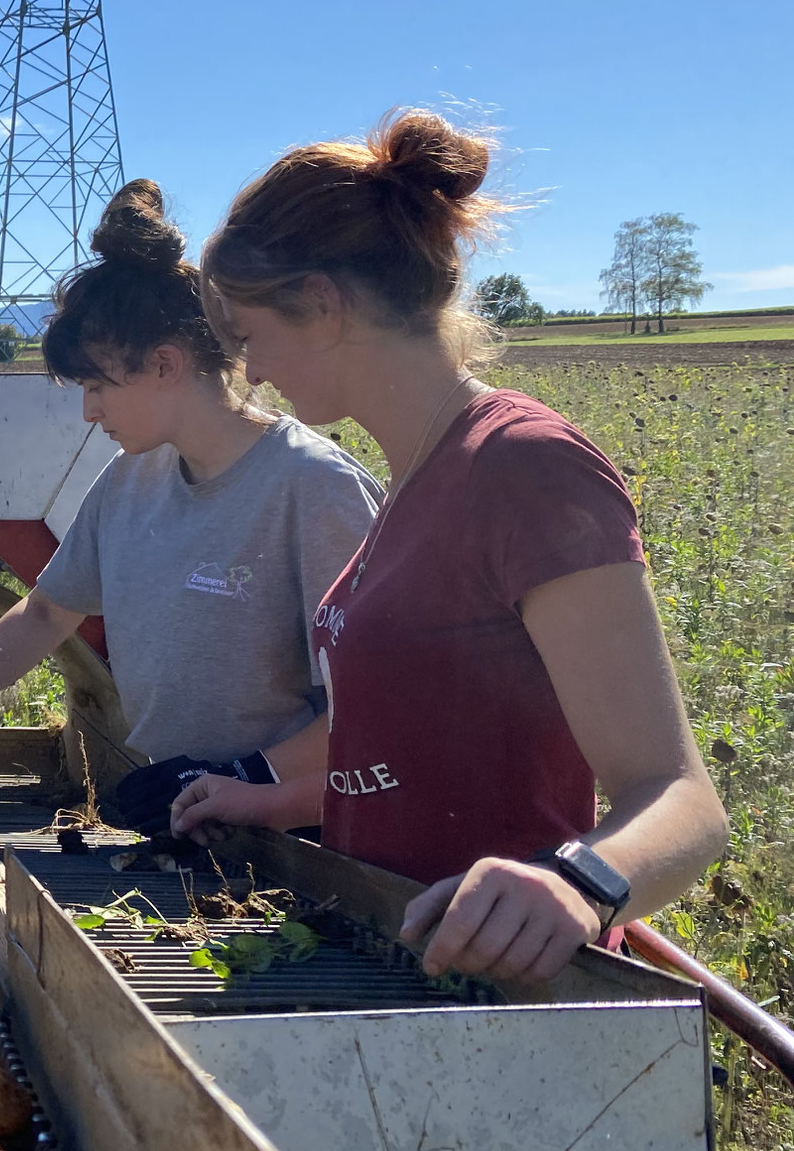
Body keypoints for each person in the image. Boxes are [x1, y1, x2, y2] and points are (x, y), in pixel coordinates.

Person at [172, 108, 728, 984]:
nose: (253, 374)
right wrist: (277, 804)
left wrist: (576, 886)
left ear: (320, 303)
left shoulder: (526, 466)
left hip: (509, 1002)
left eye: (248, 339)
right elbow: (427, 763)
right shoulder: (412, 481)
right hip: (396, 968)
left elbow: (684, 802)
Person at [0, 181, 381, 820]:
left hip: (299, 837)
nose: (88, 411)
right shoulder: (132, 480)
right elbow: (48, 613)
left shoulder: (314, 490)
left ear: (165, 365)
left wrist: (246, 778)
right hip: (190, 820)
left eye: (96, 384)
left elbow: (378, 709)